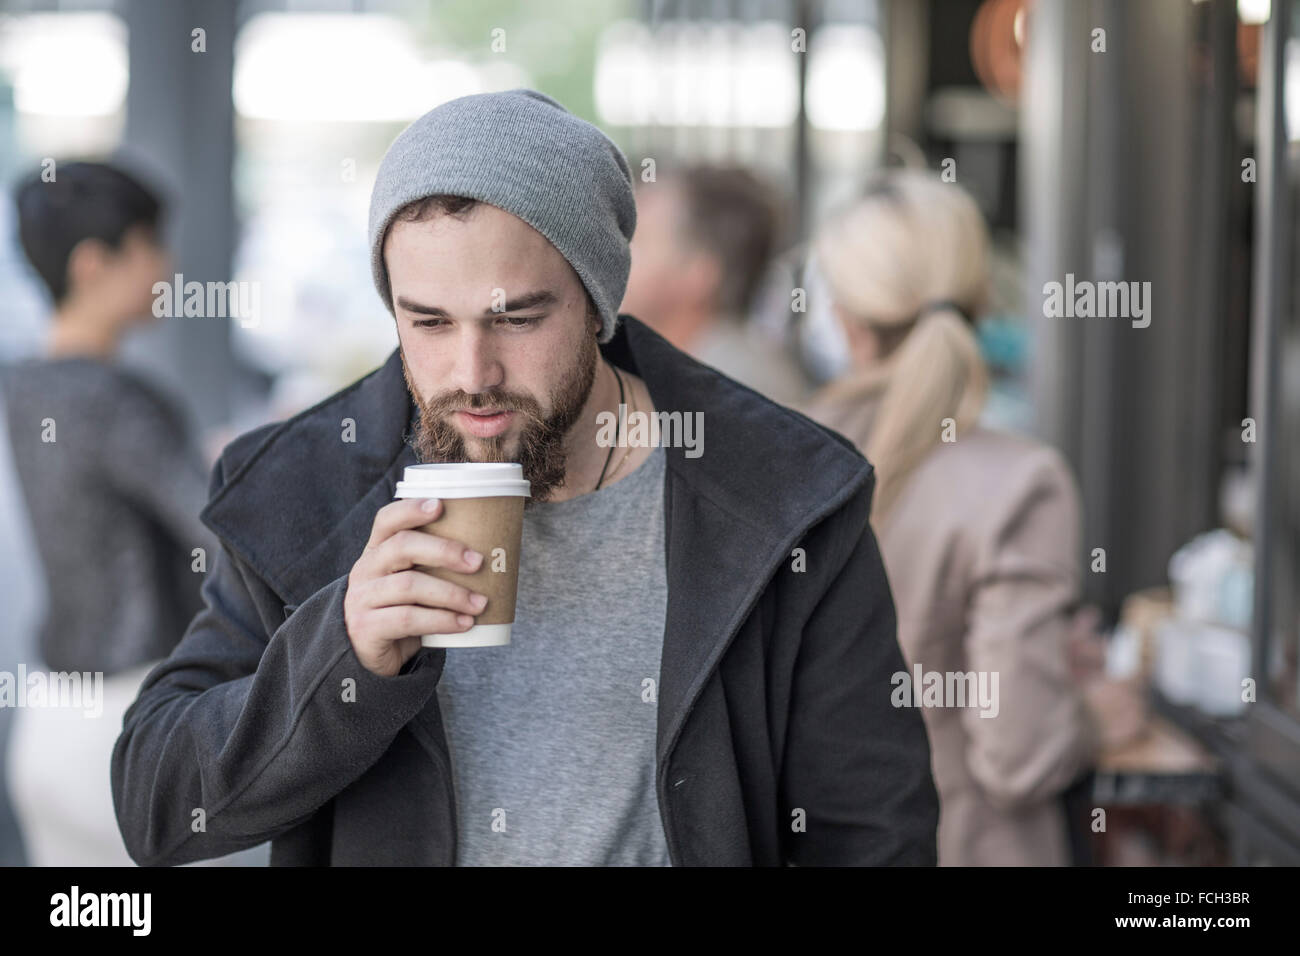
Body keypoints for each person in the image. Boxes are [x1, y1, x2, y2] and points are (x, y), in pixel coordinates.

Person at [111, 89, 939, 867]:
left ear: (599, 301)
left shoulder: (785, 495)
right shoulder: (303, 486)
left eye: (516, 317)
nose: (472, 373)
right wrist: (345, 654)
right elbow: (157, 804)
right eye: (428, 322)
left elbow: (875, 834)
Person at [799, 169, 1101, 866]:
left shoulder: (769, 461)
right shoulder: (1022, 484)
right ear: (984, 301)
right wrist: (1087, 712)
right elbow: (1019, 754)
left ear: (842, 317)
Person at [1, 161, 221, 864]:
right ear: (95, 265)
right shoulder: (120, 399)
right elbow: (218, 535)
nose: (167, 264)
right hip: (129, 733)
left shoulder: (21, 389)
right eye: (149, 243)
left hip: (45, 724)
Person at [621, 163, 810, 406]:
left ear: (699, 274)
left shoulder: (743, 391)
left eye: (638, 241)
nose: (613, 253)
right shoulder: (658, 370)